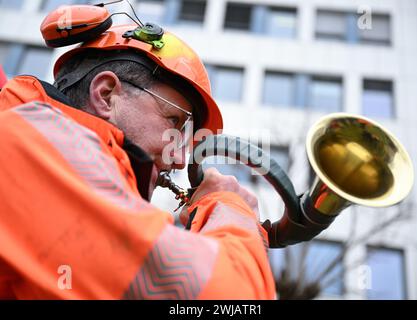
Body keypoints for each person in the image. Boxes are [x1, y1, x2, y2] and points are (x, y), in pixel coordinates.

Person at [0, 7, 275, 299]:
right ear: (107, 95)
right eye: (174, 121)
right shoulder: (37, 145)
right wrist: (228, 208)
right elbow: (233, 300)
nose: (180, 159)